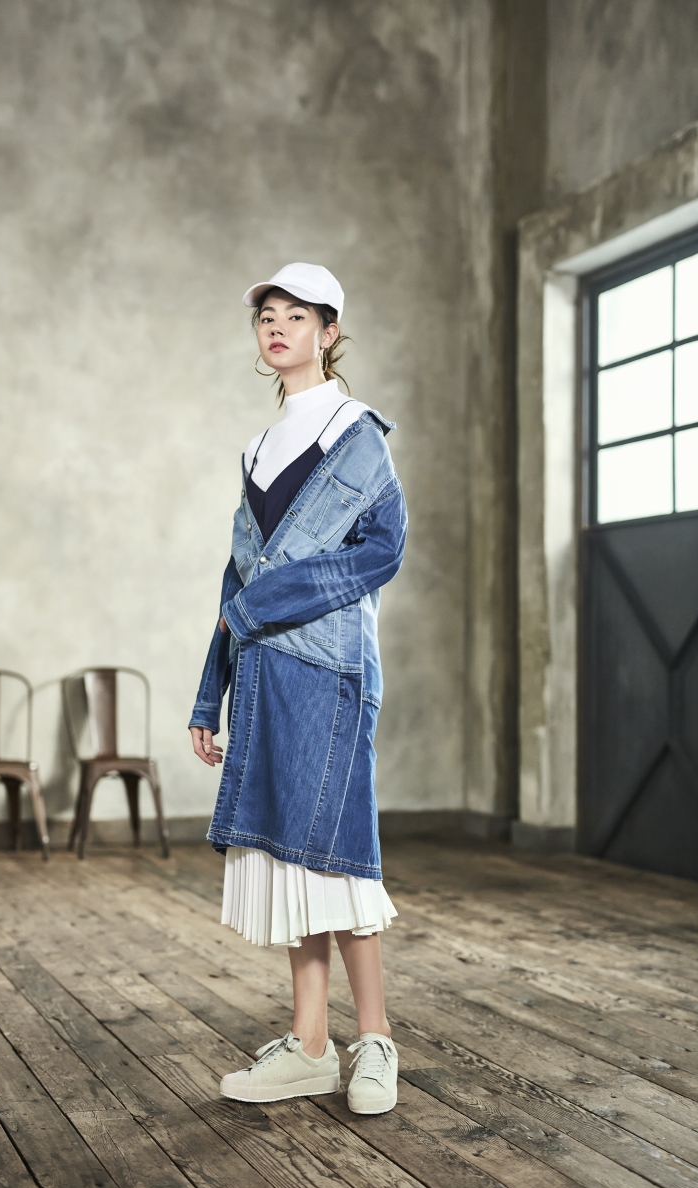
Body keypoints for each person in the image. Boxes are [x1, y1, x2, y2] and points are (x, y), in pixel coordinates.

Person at [189, 262, 407, 1114]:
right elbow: (234, 583)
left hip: (330, 667)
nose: (276, 328)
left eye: (295, 316)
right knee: (290, 857)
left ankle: (376, 1041)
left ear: (328, 331)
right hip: (264, 674)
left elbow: (381, 550)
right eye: (266, 317)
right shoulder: (258, 447)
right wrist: (209, 696)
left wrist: (270, 599)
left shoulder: (357, 432)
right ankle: (312, 1046)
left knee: (338, 854)